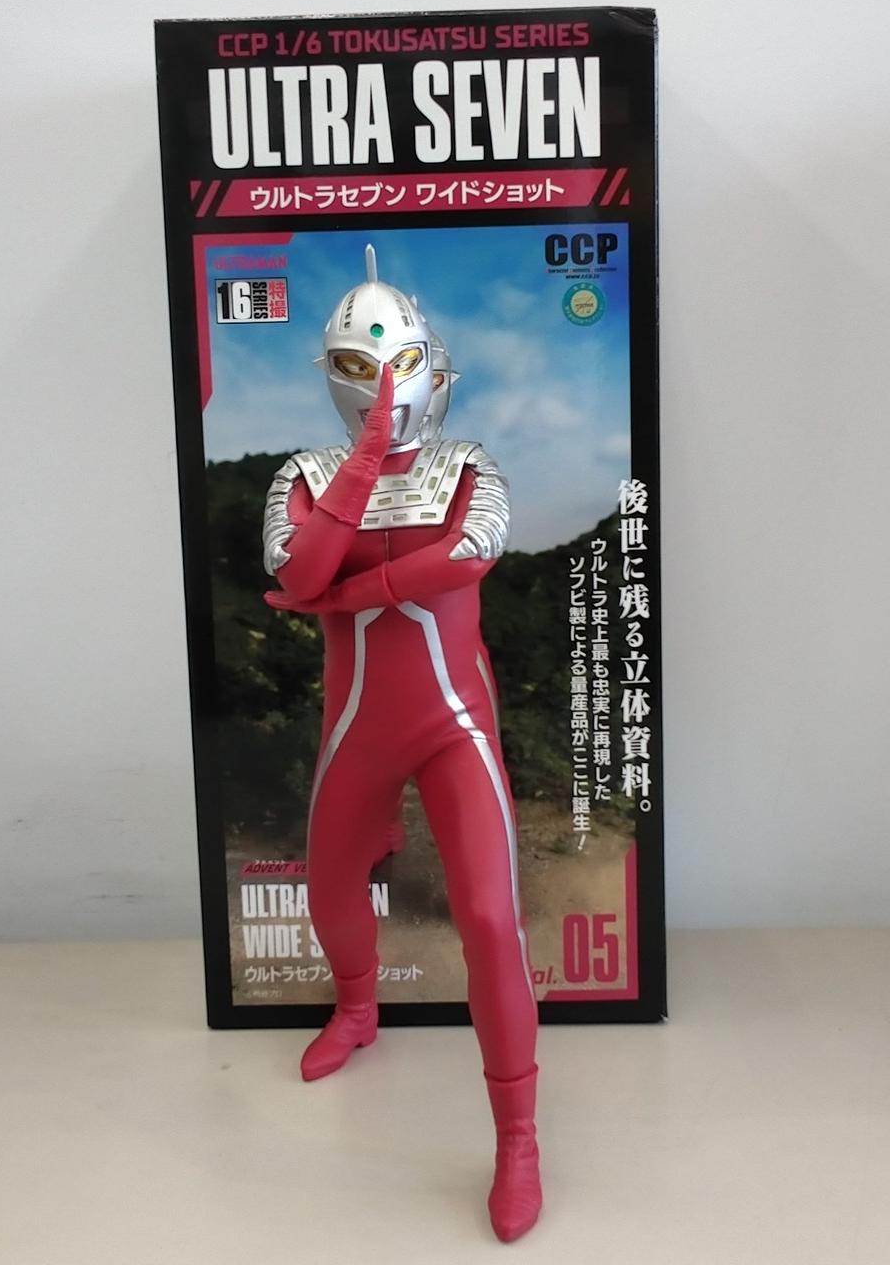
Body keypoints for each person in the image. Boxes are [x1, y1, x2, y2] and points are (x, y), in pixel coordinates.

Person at [261, 246, 542, 1242]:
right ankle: (356, 1010)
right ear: (329, 372)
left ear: (431, 358)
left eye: (398, 366)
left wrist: (353, 591)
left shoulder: (469, 464)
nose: (381, 385)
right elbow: (296, 573)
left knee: (489, 917)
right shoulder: (302, 473)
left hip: (452, 722)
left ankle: (518, 1136)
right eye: (356, 368)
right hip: (356, 730)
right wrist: (368, 453)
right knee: (328, 891)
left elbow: (468, 555)